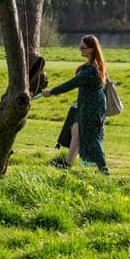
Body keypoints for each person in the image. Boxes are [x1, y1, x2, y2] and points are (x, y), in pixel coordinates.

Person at [42, 35, 109, 174]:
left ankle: (104, 169)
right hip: (85, 106)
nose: (80, 50)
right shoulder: (89, 66)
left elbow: (72, 84)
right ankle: (67, 164)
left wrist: (52, 92)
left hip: (92, 108)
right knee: (76, 132)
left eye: (82, 47)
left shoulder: (92, 69)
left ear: (91, 49)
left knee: (92, 138)